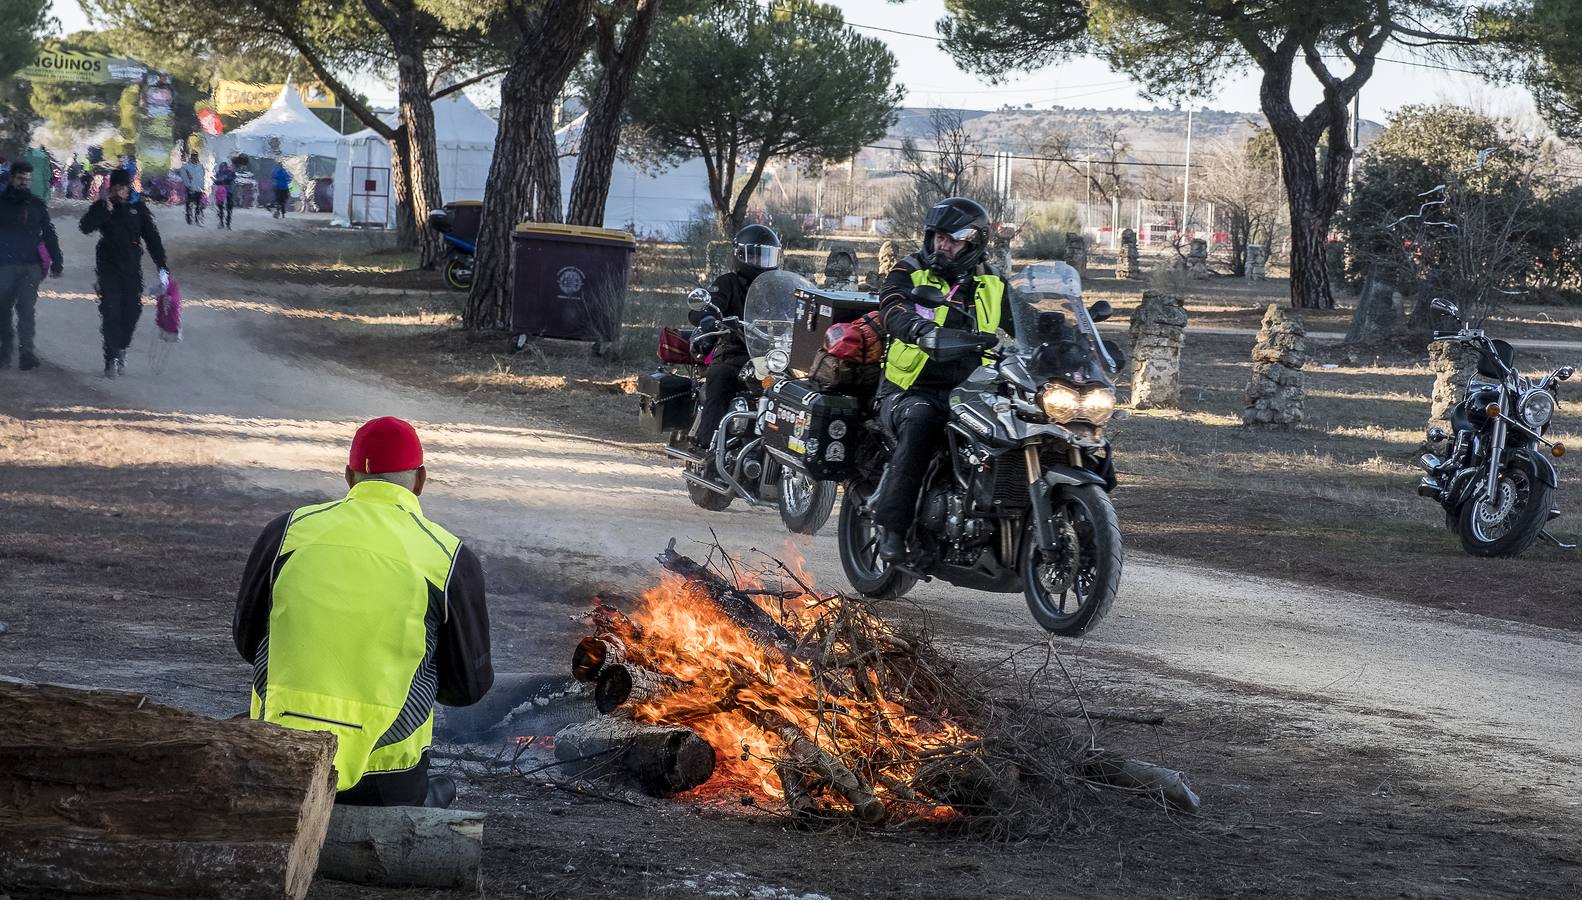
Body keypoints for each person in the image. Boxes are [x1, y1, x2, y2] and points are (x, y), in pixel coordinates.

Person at [234, 416, 494, 808]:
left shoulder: (286, 531)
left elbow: (247, 641)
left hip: (278, 758)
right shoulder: (448, 556)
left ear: (348, 477)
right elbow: (467, 689)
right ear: (420, 480)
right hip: (384, 782)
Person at [871, 197, 1013, 563]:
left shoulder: (992, 283)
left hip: (972, 392)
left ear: (974, 243)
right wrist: (915, 327)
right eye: (936, 237)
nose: (941, 245)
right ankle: (893, 527)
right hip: (909, 390)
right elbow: (892, 306)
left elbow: (1025, 320)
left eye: (951, 239)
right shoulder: (910, 271)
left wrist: (1064, 332)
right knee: (922, 422)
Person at [686, 223, 781, 459]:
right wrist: (708, 317)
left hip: (771, 360)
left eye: (766, 255)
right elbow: (711, 304)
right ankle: (705, 447)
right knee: (720, 380)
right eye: (755, 255)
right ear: (741, 255)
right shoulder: (728, 282)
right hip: (733, 354)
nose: (761, 261)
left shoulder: (778, 288)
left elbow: (793, 311)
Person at [79, 168, 168, 378]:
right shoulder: (103, 207)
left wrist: (162, 266)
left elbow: (153, 239)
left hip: (131, 270)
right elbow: (85, 227)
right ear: (111, 189)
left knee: (132, 312)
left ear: (128, 188)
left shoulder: (138, 208)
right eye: (116, 188)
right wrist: (106, 207)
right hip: (108, 270)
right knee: (110, 312)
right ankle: (110, 357)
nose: (120, 192)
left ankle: (122, 347)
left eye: (123, 188)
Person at [0, 162, 64, 371]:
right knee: (2, 310)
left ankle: (26, 353)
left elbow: (48, 232)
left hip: (31, 266)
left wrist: (57, 260)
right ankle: (4, 351)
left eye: (27, 179)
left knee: (27, 311)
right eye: (20, 178)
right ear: (12, 178)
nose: (24, 183)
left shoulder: (36, 205)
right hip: (4, 265)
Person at [177, 153, 206, 225]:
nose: (195, 158)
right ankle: (189, 217)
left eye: (196, 157)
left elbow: (202, 176)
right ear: (191, 158)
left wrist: (202, 186)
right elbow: (184, 177)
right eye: (194, 157)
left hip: (199, 189)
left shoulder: (201, 166)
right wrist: (189, 186)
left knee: (198, 204)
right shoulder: (186, 167)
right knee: (189, 203)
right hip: (190, 188)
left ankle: (197, 218)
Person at [212, 159, 236, 230]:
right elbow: (216, 181)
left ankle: (228, 223)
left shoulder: (230, 173)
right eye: (222, 167)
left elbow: (232, 179)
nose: (223, 168)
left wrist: (223, 180)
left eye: (224, 166)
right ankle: (221, 222)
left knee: (229, 208)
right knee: (220, 208)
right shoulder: (219, 172)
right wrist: (217, 181)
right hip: (221, 192)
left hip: (228, 192)